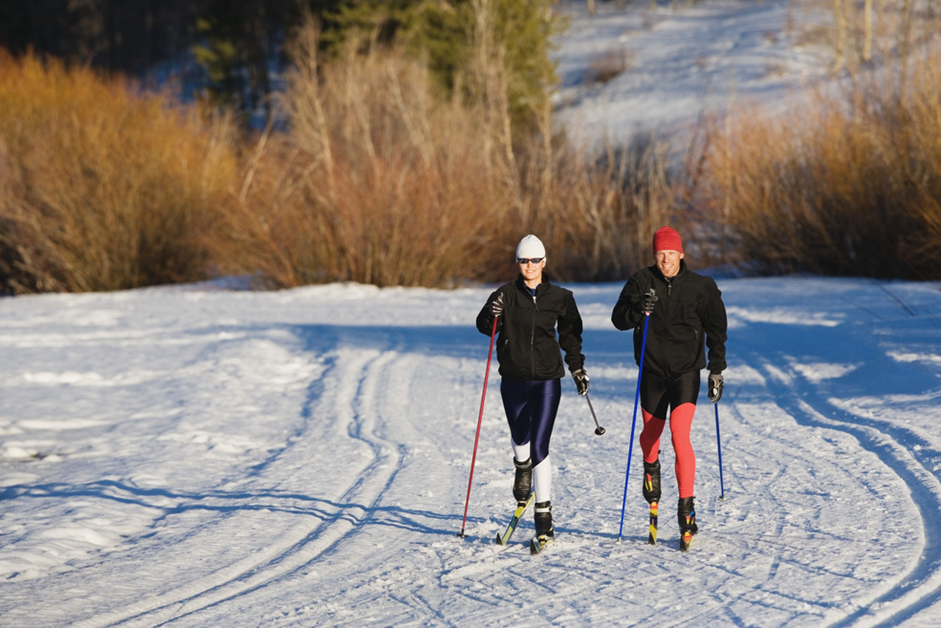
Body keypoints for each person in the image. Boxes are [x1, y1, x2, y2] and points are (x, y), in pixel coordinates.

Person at [611, 226, 727, 547]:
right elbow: (618, 319)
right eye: (660, 255)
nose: (665, 261)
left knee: (680, 434)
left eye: (671, 254)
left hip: (685, 372)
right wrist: (638, 309)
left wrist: (716, 369)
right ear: (654, 256)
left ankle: (687, 511)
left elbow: (717, 330)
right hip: (651, 372)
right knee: (651, 435)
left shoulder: (701, 287)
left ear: (681, 254)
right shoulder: (640, 282)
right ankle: (651, 465)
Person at [476, 234, 589, 544]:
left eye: (535, 260)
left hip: (547, 380)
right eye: (524, 260)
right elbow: (485, 327)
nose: (529, 266)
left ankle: (543, 514)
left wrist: (577, 367)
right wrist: (492, 312)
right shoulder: (505, 294)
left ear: (544, 262)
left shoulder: (560, 297)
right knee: (519, 437)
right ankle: (520, 466)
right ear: (518, 263)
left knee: (540, 446)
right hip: (513, 378)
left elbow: (570, 336)